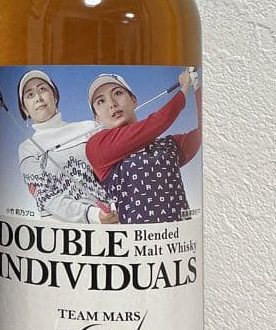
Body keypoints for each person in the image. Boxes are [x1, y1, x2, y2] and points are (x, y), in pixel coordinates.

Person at [86, 69, 202, 224]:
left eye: (118, 93)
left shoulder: (170, 145)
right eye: (101, 101)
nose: (112, 104)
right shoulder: (96, 147)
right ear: (97, 118)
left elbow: (206, 132)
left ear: (134, 100)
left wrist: (197, 87)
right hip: (137, 238)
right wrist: (184, 88)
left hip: (179, 234)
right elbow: (158, 122)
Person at [17, 70, 117, 224]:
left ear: (55, 96)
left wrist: (114, 206)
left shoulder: (90, 128)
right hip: (59, 232)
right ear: (25, 109)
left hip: (109, 224)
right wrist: (93, 215)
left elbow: (115, 173)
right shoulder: (27, 148)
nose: (38, 98)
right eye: (30, 95)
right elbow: (45, 196)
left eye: (42, 89)